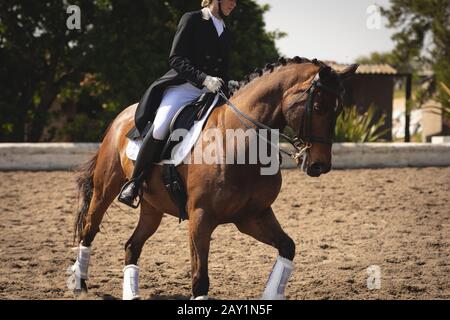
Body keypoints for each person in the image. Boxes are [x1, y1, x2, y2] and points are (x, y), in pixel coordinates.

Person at [118, 0, 238, 208]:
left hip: (212, 91)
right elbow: (176, 58)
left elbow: (222, 69)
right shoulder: (192, 19)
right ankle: (134, 183)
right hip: (184, 87)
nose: (234, 4)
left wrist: (230, 82)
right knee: (161, 126)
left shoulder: (226, 31)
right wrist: (203, 78)